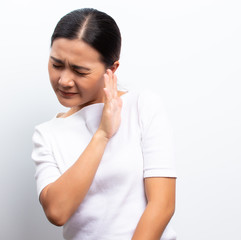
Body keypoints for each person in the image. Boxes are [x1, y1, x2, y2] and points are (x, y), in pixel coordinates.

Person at [31, 8, 177, 240]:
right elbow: (57, 211)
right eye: (56, 65)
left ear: (112, 69)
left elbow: (163, 204)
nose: (64, 80)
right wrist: (103, 134)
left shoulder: (143, 106)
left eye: (80, 71)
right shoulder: (47, 134)